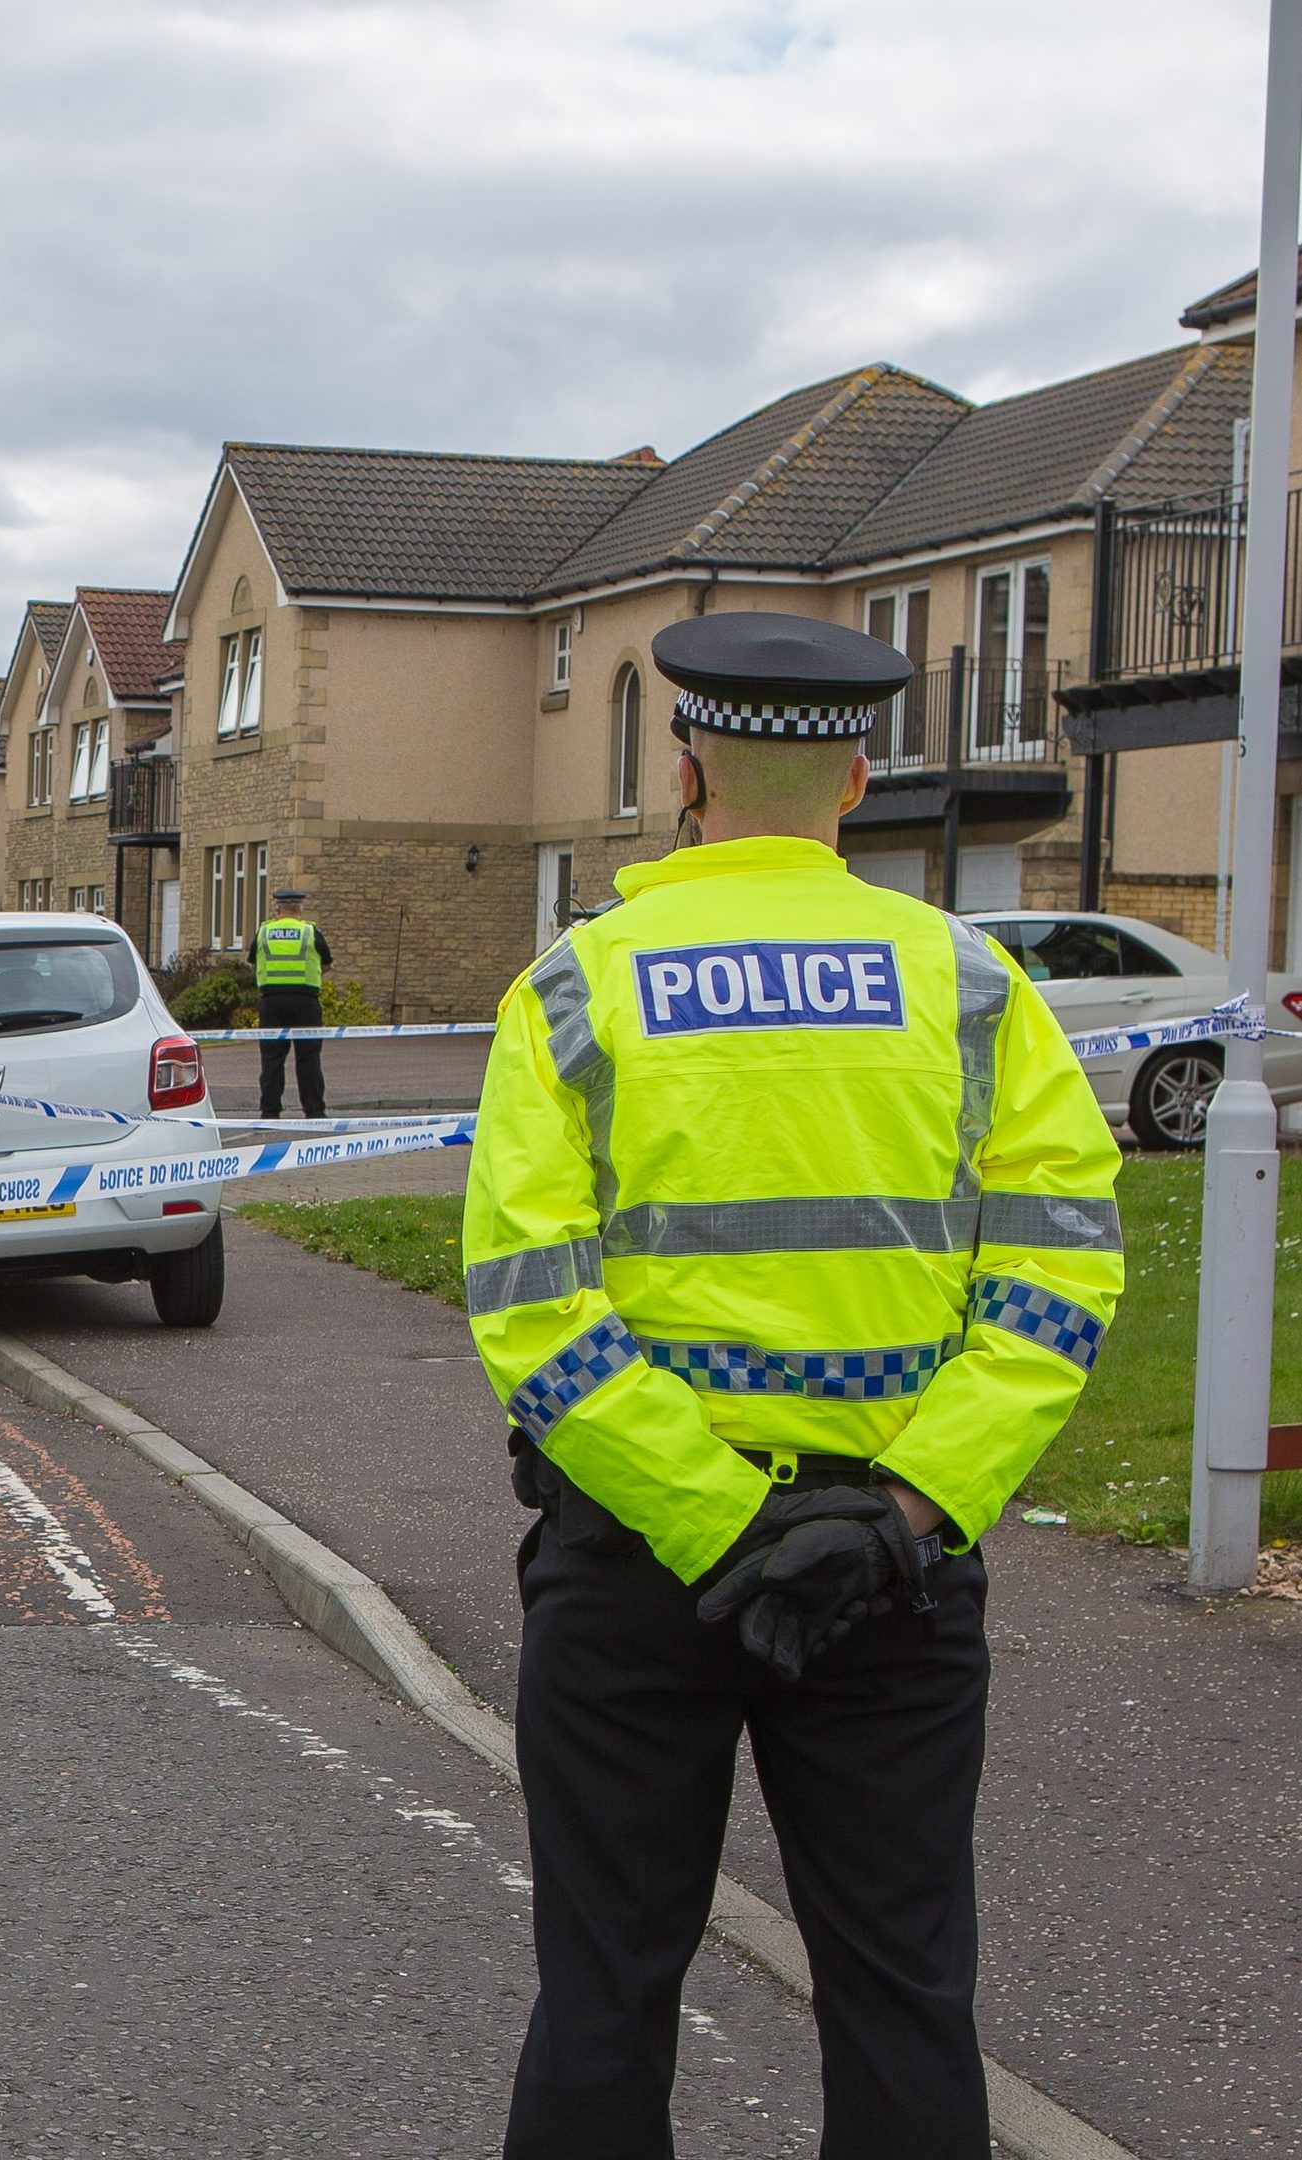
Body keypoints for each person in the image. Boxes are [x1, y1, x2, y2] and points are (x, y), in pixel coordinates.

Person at [463, 611, 1122, 2158]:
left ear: (685, 773)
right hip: (889, 1572)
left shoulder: (574, 991)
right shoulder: (971, 989)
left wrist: (715, 1523)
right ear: (859, 778)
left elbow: (528, 1303)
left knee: (606, 1993)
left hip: (640, 1566)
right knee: (901, 1998)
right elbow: (1062, 1275)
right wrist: (906, 1509)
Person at [252, 887, 334, 1119]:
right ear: (300, 909)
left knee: (272, 1060)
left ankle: (269, 1112)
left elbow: (253, 962)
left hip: (271, 1003)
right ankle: (314, 1111)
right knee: (308, 1058)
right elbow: (326, 964)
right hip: (305, 1002)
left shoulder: (263, 932)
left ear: (277, 909)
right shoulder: (310, 931)